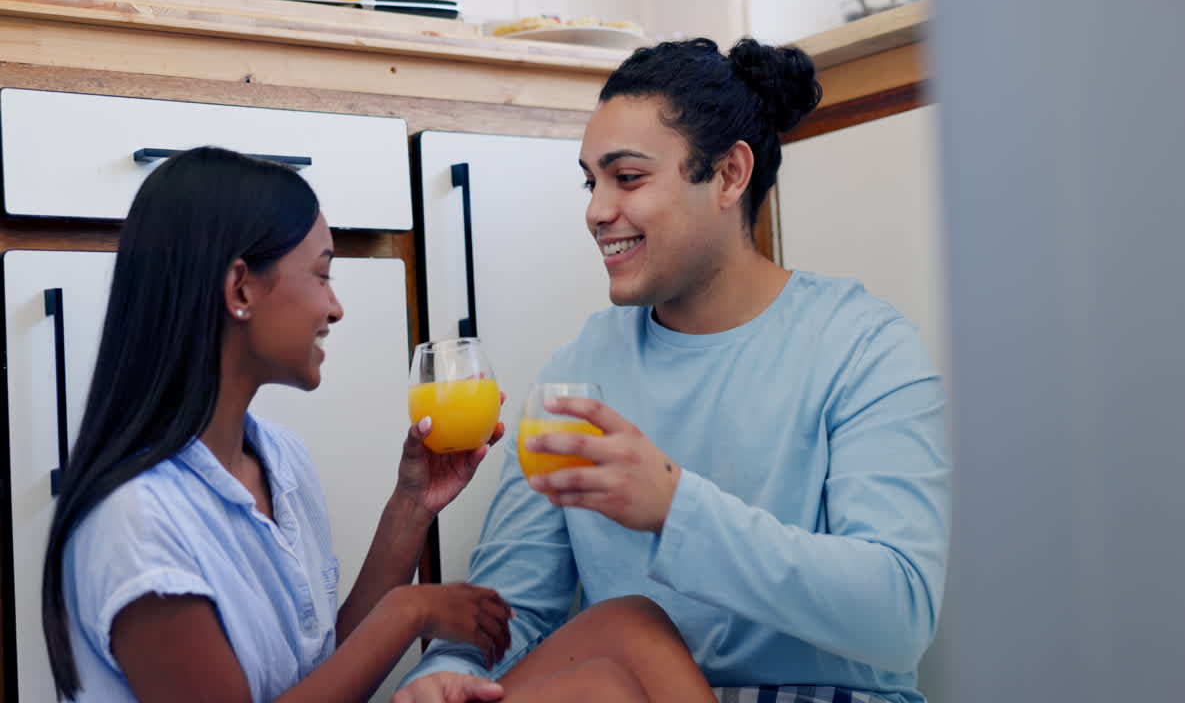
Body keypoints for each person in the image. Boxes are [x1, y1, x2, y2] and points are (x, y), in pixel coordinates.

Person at [398, 37, 951, 703]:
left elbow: (899, 618)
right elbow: (506, 612)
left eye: (626, 177)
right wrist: (442, 678)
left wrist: (674, 508)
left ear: (727, 175)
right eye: (590, 181)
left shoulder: (863, 348)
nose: (596, 210)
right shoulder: (578, 370)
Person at [40, 147, 514, 702]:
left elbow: (323, 676)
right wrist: (411, 610)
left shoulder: (280, 460)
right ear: (241, 288)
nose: (335, 309)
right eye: (322, 274)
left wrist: (412, 506)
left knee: (616, 633)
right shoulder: (136, 525)